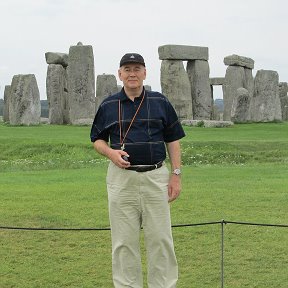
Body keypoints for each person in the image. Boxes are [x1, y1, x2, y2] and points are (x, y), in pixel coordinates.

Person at [90, 53, 185, 288]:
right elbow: (96, 139)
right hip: (122, 180)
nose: (132, 73)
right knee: (123, 242)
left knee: (161, 240)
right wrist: (111, 153)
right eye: (127, 69)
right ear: (119, 74)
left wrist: (176, 175)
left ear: (145, 73)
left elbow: (173, 140)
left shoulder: (160, 101)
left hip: (156, 177)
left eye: (137, 68)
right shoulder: (108, 105)